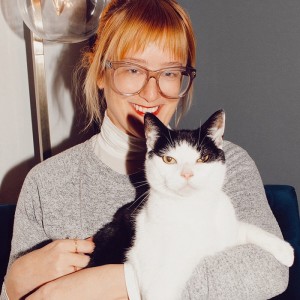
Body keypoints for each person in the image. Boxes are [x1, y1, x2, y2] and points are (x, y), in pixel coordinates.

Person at [1, 0, 289, 299]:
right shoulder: (46, 182)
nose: (151, 93)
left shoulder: (227, 165)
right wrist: (16, 282)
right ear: (101, 72)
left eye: (169, 73)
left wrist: (121, 282)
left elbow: (269, 269)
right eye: (133, 69)